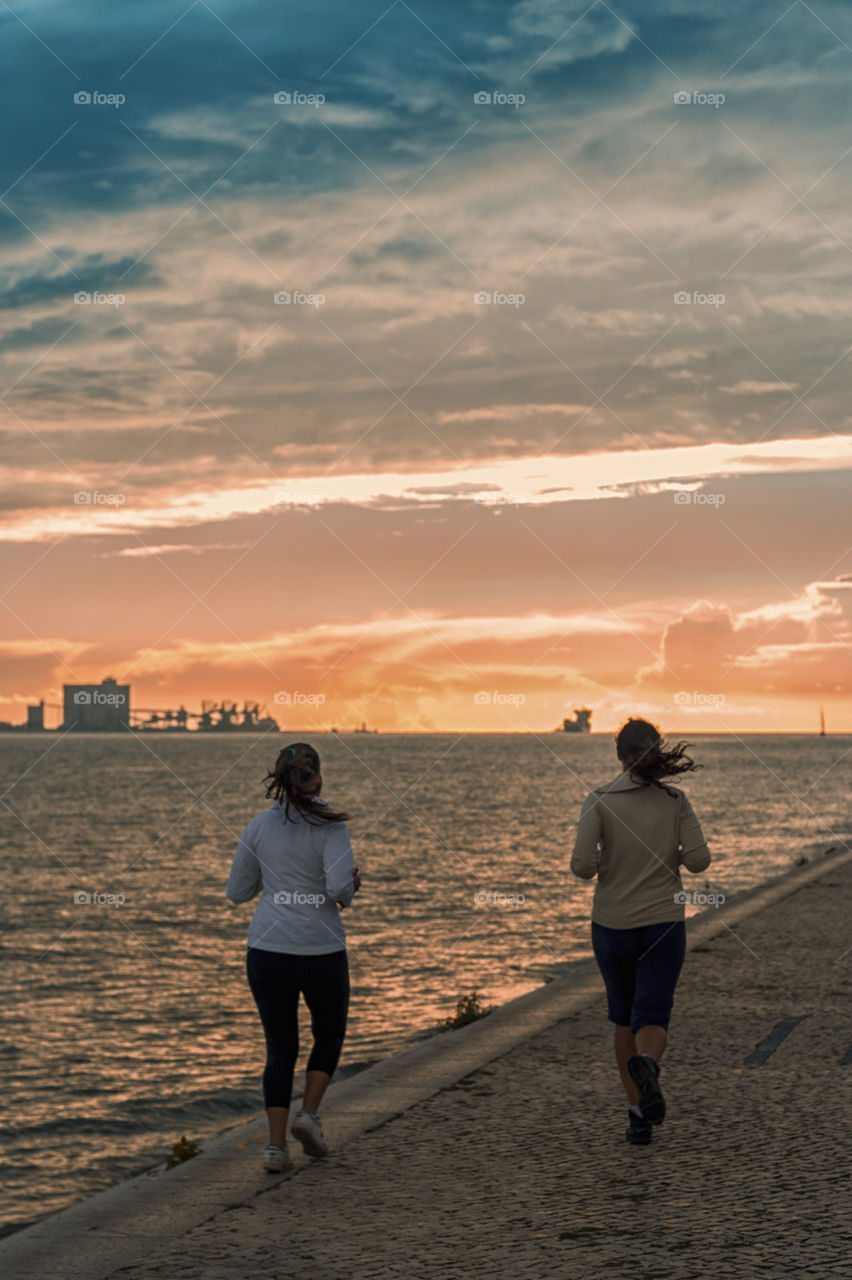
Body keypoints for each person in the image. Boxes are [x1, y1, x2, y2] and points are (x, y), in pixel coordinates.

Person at [570, 717, 711, 1145]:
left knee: (622, 1017)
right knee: (653, 1013)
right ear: (658, 752)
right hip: (664, 923)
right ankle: (648, 1061)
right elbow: (700, 861)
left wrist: (604, 863)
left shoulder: (599, 800)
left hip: (612, 925)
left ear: (619, 756)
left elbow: (581, 867)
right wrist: (675, 854)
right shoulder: (675, 801)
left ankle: (637, 1115)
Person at [226, 742, 361, 1172]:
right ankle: (309, 1115)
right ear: (317, 776)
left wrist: (274, 879)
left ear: (278, 778)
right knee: (329, 1033)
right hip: (320, 949)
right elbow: (340, 889)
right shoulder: (331, 827)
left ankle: (274, 1148)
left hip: (266, 950)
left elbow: (237, 892)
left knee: (279, 1047)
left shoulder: (258, 827)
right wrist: (353, 884)